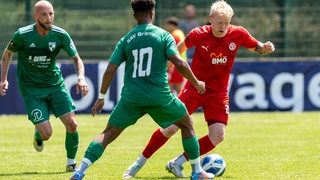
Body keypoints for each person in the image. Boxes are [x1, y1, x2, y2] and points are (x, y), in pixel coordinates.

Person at [123, 0, 275, 178]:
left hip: (218, 93)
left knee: (218, 136)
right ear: (210, 19)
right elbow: (176, 52)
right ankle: (138, 163)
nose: (223, 27)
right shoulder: (198, 34)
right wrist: (163, 67)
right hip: (194, 88)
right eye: (219, 23)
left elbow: (258, 48)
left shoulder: (238, 33)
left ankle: (177, 163)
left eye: (226, 23)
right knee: (171, 128)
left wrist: (266, 47)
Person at [70, 0, 214, 180]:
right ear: (152, 13)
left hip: (131, 99)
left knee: (106, 134)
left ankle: (80, 171)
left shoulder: (126, 39)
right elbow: (178, 62)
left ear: (134, 16)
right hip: (159, 97)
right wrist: (196, 83)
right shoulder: (164, 36)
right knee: (187, 124)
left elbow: (110, 70)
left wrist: (101, 97)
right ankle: (197, 172)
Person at [0, 0, 89, 172]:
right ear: (35, 17)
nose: (49, 18)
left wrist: (81, 78)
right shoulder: (23, 35)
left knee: (72, 124)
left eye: (51, 13)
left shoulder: (60, 35)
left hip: (55, 86)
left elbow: (77, 59)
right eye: (44, 14)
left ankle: (71, 163)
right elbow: (7, 53)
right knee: (47, 134)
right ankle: (38, 133)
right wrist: (3, 79)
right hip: (32, 90)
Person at [165, 16, 187, 95]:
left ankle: (181, 105)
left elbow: (174, 52)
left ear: (172, 25)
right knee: (176, 88)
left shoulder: (174, 35)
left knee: (172, 88)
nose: (167, 27)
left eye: (167, 25)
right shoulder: (180, 33)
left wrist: (169, 66)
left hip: (176, 65)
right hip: (181, 63)